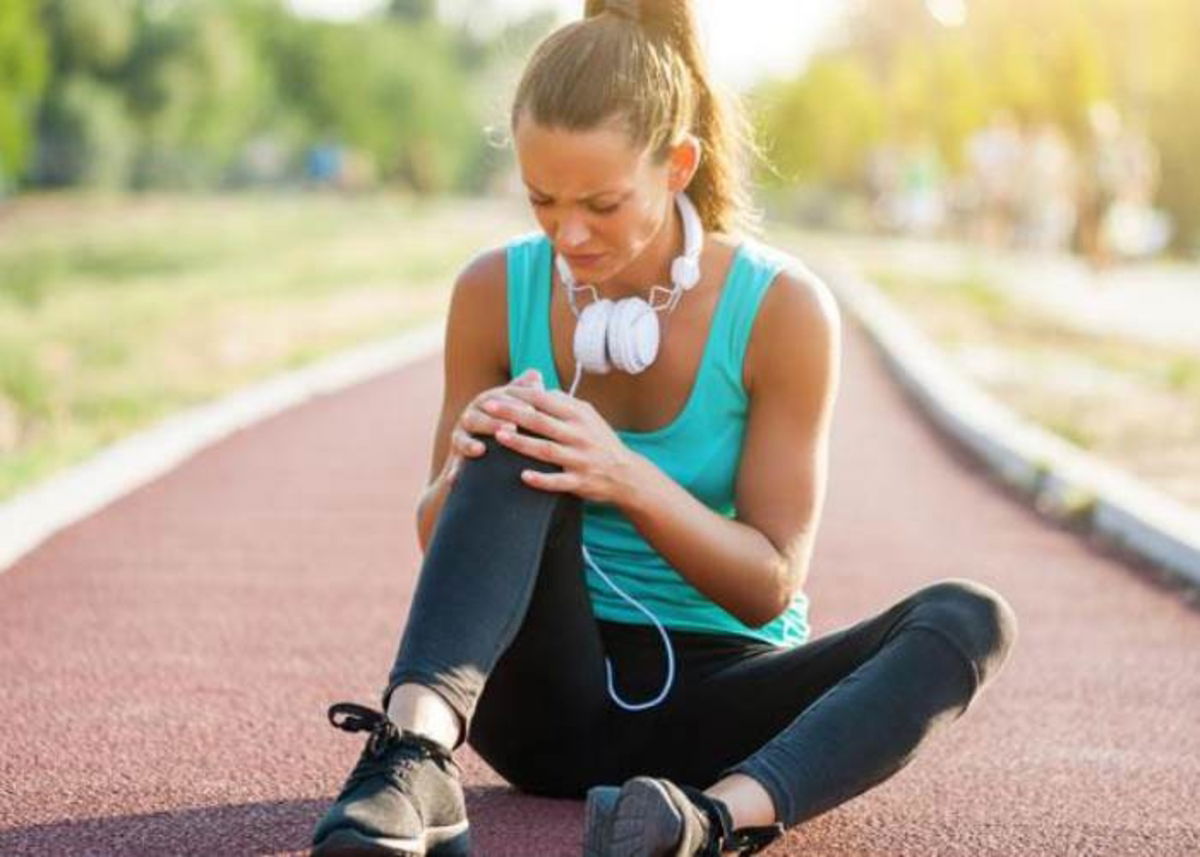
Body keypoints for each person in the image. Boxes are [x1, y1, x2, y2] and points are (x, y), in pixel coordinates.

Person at [309, 1, 1018, 855]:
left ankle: (709, 823)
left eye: (603, 203)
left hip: (720, 712)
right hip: (537, 704)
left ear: (678, 164)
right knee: (515, 429)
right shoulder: (492, 291)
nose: (570, 233)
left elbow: (769, 585)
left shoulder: (782, 308)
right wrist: (471, 461)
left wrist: (622, 476)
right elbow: (440, 546)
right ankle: (412, 759)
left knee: (969, 617)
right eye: (542, 200)